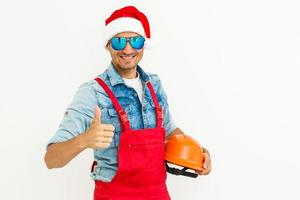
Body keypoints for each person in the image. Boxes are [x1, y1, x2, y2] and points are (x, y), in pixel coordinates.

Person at [44, 6, 211, 200]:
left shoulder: (154, 85)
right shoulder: (92, 92)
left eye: (136, 40)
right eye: (119, 41)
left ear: (143, 44)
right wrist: (84, 140)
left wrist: (199, 153)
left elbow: (169, 130)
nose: (128, 49)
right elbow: (51, 159)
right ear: (108, 45)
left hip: (157, 194)